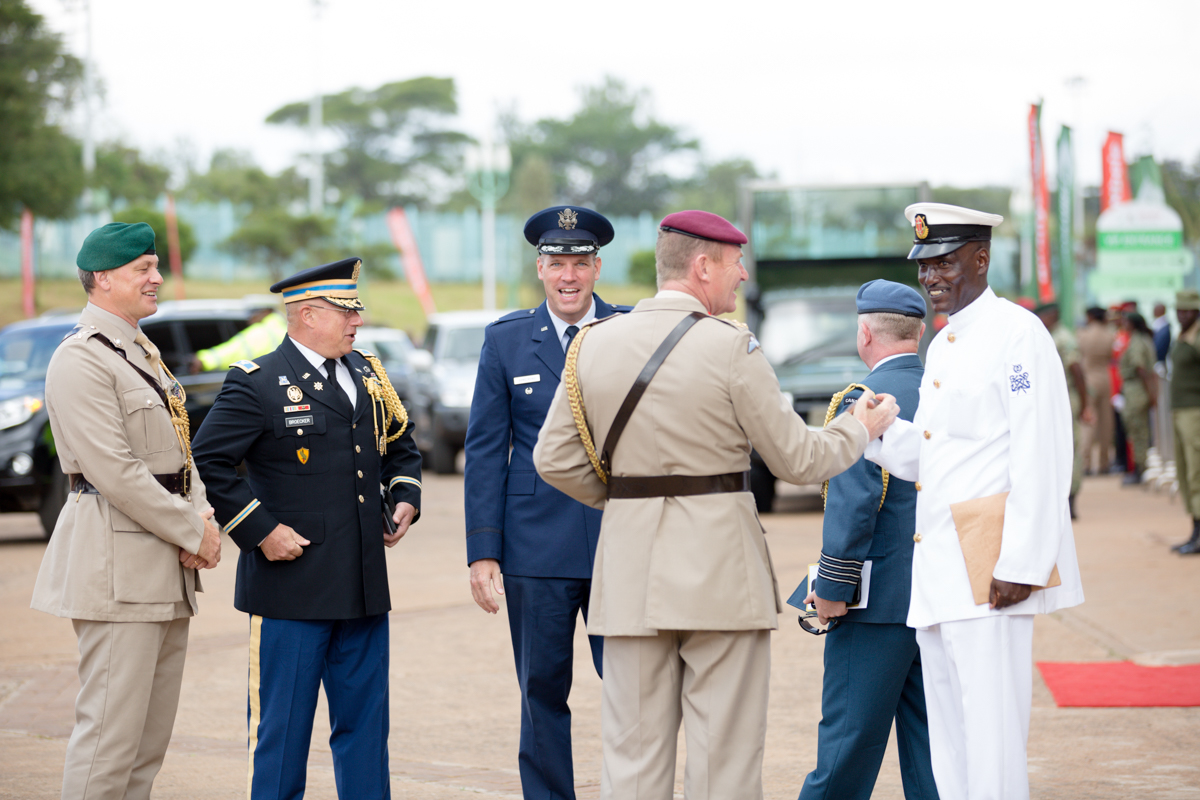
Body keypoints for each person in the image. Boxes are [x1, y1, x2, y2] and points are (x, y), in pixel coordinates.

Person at [534, 209, 900, 800]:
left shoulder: (591, 345)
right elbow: (798, 461)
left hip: (628, 571)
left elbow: (552, 459)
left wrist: (629, 502)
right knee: (722, 762)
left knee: (631, 761)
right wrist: (858, 429)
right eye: (734, 263)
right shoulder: (731, 347)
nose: (744, 275)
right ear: (702, 266)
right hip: (721, 577)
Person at [865, 203, 1084, 800]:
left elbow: (1042, 451)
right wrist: (880, 433)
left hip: (991, 565)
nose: (932, 277)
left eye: (945, 262)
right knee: (951, 738)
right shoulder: (944, 343)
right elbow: (937, 457)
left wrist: (1024, 562)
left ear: (981, 258)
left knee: (991, 737)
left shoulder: (1018, 333)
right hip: (939, 570)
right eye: (925, 266)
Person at [191, 257, 422, 800]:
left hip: (363, 587)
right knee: (282, 735)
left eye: (357, 308)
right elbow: (210, 461)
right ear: (307, 314)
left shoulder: (366, 373)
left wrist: (405, 493)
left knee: (366, 735)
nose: (357, 320)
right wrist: (260, 531)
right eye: (347, 310)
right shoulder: (258, 383)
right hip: (290, 590)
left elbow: (401, 445)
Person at [30, 221, 222, 799]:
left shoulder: (138, 350)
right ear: (104, 279)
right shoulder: (81, 359)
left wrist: (202, 518)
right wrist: (194, 528)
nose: (156, 278)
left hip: (161, 566)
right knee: (109, 743)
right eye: (143, 268)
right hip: (116, 567)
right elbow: (114, 470)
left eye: (155, 265)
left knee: (146, 744)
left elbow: (178, 455)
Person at [463, 206, 630, 799]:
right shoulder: (506, 340)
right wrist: (483, 552)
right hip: (536, 547)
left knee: (635, 692)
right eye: (557, 262)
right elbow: (484, 451)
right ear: (540, 268)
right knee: (540, 692)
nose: (568, 275)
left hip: (623, 540)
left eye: (579, 263)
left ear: (597, 267)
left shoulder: (631, 332)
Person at [794, 280, 938, 800]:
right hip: (939, 596)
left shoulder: (864, 401)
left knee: (846, 748)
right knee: (932, 750)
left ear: (864, 333)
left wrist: (832, 587)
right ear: (919, 333)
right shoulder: (948, 392)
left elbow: (854, 504)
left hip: (876, 608)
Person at [1035, 303, 1093, 516]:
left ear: (1052, 315)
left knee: (1070, 448)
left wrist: (1085, 405)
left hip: (1068, 399)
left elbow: (1077, 371)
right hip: (1056, 399)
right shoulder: (1049, 335)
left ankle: (1070, 499)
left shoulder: (1063, 338)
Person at [1170, 290, 1200, 555]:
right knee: (1185, 472)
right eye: (1179, 310)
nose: (1182, 315)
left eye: (1188, 311)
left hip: (1195, 412)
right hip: (1181, 412)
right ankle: (1195, 531)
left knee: (1196, 474)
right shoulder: (1183, 335)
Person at [188, 300, 287, 373]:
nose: (250, 319)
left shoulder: (260, 332)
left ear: (267, 311)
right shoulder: (287, 329)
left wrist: (204, 360)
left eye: (254, 313)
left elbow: (233, 351)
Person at [1118, 311, 1157, 484]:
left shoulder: (1137, 342)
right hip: (1137, 388)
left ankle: (1139, 469)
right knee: (1139, 430)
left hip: (1136, 389)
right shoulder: (1142, 339)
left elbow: (1140, 368)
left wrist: (1151, 393)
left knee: (1137, 431)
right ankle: (1140, 467)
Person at [1078, 307, 1116, 474]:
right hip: (1105, 379)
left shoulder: (1083, 335)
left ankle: (1085, 463)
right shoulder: (1110, 335)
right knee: (1106, 423)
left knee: (1088, 421)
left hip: (1089, 379)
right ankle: (1104, 462)